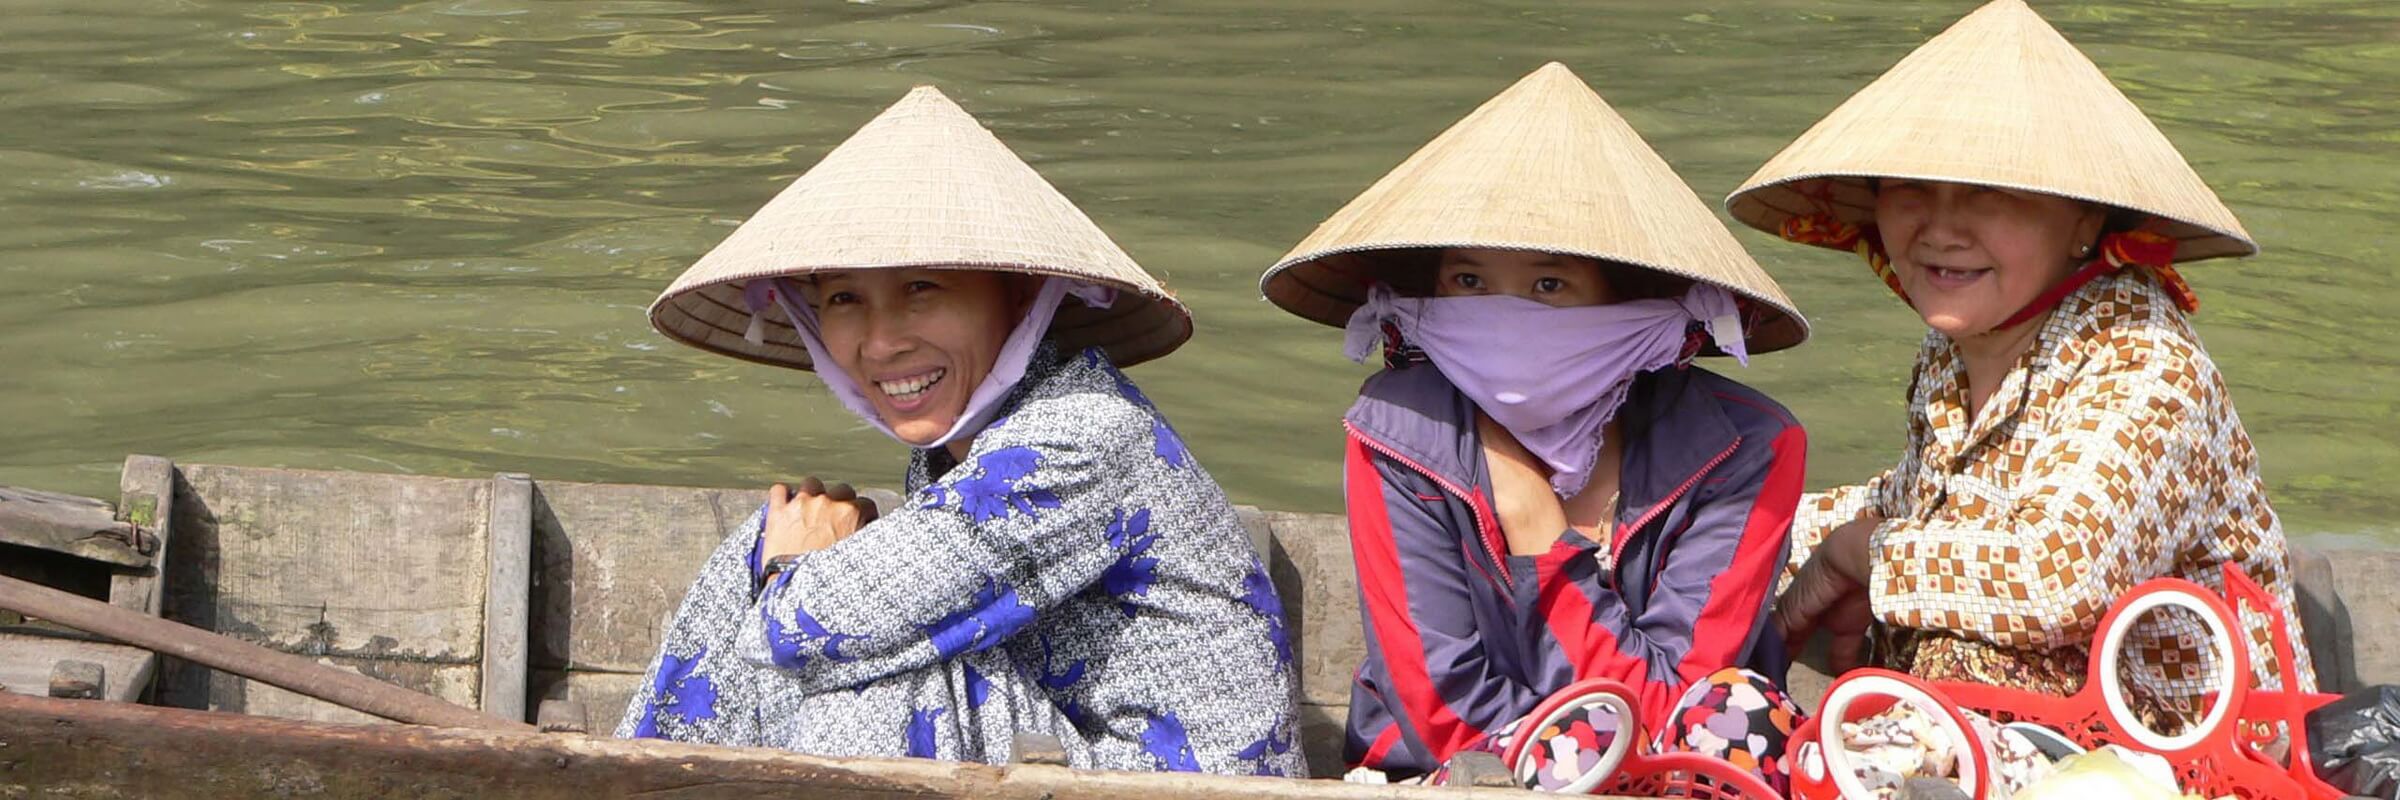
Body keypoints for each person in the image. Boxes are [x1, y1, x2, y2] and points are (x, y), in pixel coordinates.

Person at [622, 85, 1303, 776]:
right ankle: (631, 777)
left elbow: (805, 626)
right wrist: (781, 564)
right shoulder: (954, 458)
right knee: (773, 552)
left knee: (865, 668)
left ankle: (633, 778)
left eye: (922, 288)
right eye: (844, 299)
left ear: (1017, 295)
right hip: (1073, 761)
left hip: (1174, 789)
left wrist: (786, 568)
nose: (881, 343)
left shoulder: (1077, 440)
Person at [1727, 0, 2317, 731]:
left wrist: (1859, 555)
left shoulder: (2144, 361)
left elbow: (2054, 580)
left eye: (1988, 193)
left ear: (2084, 221)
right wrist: (1733, 523)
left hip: (2187, 751)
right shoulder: (1953, 355)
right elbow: (1914, 500)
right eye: (1912, 190)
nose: (1940, 229)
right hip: (2049, 733)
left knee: (1960, 649)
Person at [1261, 63, 1812, 791]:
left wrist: (1540, 540)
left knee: (1741, 711)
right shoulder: (1396, 431)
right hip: (1457, 771)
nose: (1503, 320)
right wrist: (1571, 760)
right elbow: (1440, 709)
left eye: (1549, 285)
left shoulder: (1747, 446)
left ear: (1631, 302)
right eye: (1468, 283)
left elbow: (1680, 703)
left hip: (1678, 772)